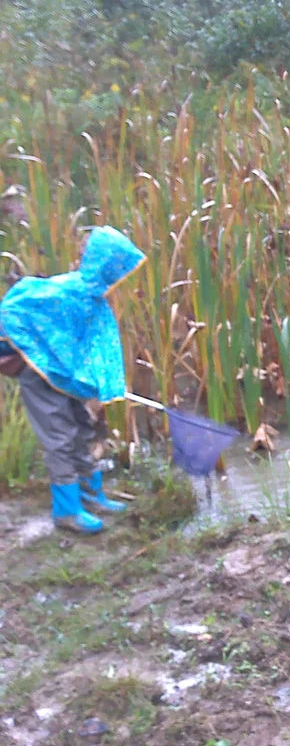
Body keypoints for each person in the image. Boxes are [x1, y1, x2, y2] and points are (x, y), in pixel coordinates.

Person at [0, 226, 145, 533]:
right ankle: (66, 511)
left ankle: (90, 495)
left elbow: (92, 347)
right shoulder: (66, 291)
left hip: (64, 377)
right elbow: (12, 310)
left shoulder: (92, 298)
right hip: (39, 375)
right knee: (60, 437)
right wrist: (34, 348)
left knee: (81, 427)